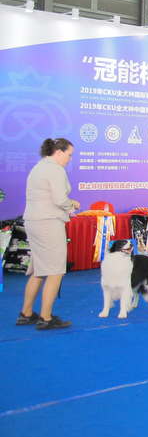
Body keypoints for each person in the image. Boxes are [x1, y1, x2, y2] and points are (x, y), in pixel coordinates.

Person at [17, 138, 79, 330]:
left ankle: (26, 314)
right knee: (55, 270)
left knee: (39, 269)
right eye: (69, 155)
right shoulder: (55, 170)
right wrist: (72, 204)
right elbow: (60, 199)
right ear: (58, 152)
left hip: (33, 221)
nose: (70, 159)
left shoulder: (39, 167)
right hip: (48, 223)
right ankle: (46, 317)